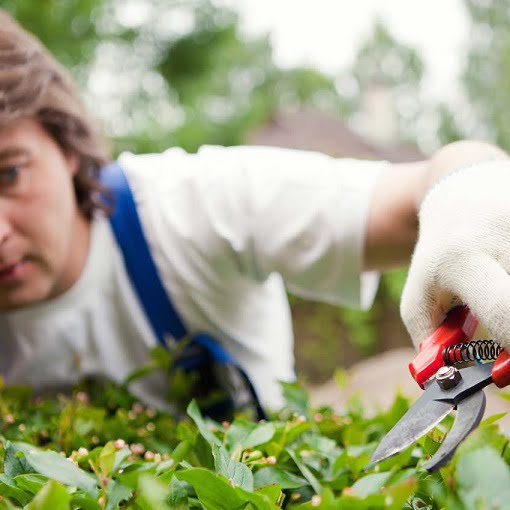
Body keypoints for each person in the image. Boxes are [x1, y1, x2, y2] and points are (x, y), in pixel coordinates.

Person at [0, 10, 509, 414]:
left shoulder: (194, 204)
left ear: (64, 142)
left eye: (9, 174)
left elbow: (435, 178)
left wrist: (466, 198)